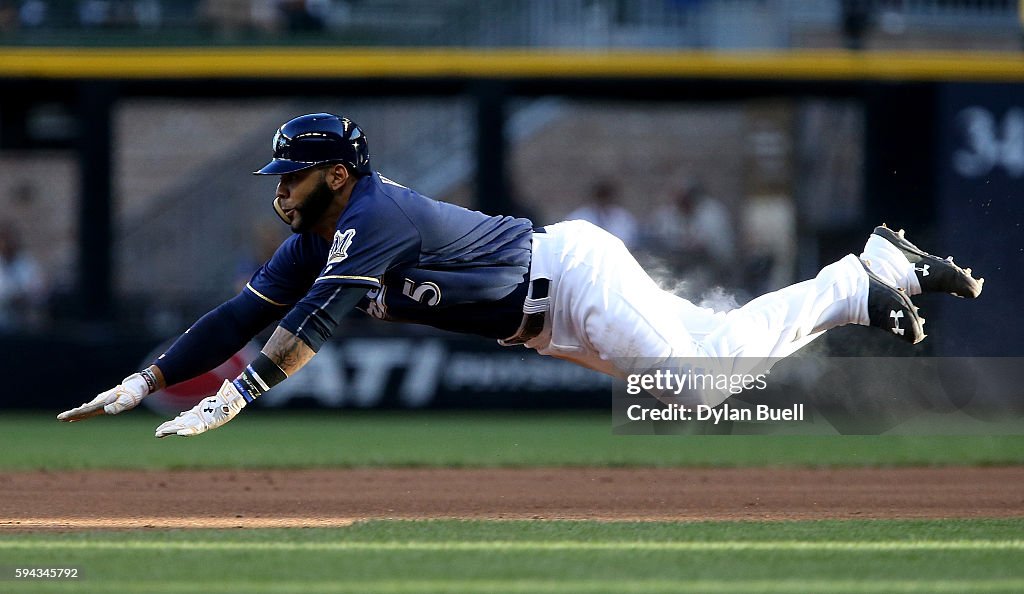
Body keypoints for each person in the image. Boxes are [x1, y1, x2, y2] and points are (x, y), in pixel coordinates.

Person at [57, 113, 984, 436]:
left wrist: (243, 395)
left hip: (566, 279)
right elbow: (238, 314)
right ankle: (868, 277)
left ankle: (862, 278)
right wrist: (151, 377)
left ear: (336, 175)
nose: (281, 191)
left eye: (291, 176)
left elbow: (312, 329)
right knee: (714, 357)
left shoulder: (370, 216)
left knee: (701, 382)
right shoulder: (319, 235)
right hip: (544, 321)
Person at [566, 179, 639, 250]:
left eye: (607, 199)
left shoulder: (624, 218)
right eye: (601, 199)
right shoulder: (578, 217)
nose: (604, 202)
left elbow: (629, 243)